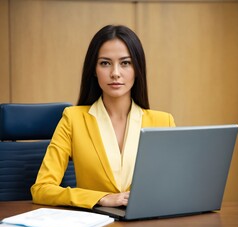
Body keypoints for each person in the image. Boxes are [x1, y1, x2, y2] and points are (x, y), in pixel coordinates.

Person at [31, 25, 175, 209]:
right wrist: (101, 198)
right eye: (105, 63)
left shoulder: (164, 122)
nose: (115, 73)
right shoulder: (73, 119)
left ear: (137, 69)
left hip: (147, 226)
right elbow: (41, 189)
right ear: (94, 69)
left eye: (125, 63)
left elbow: (174, 188)